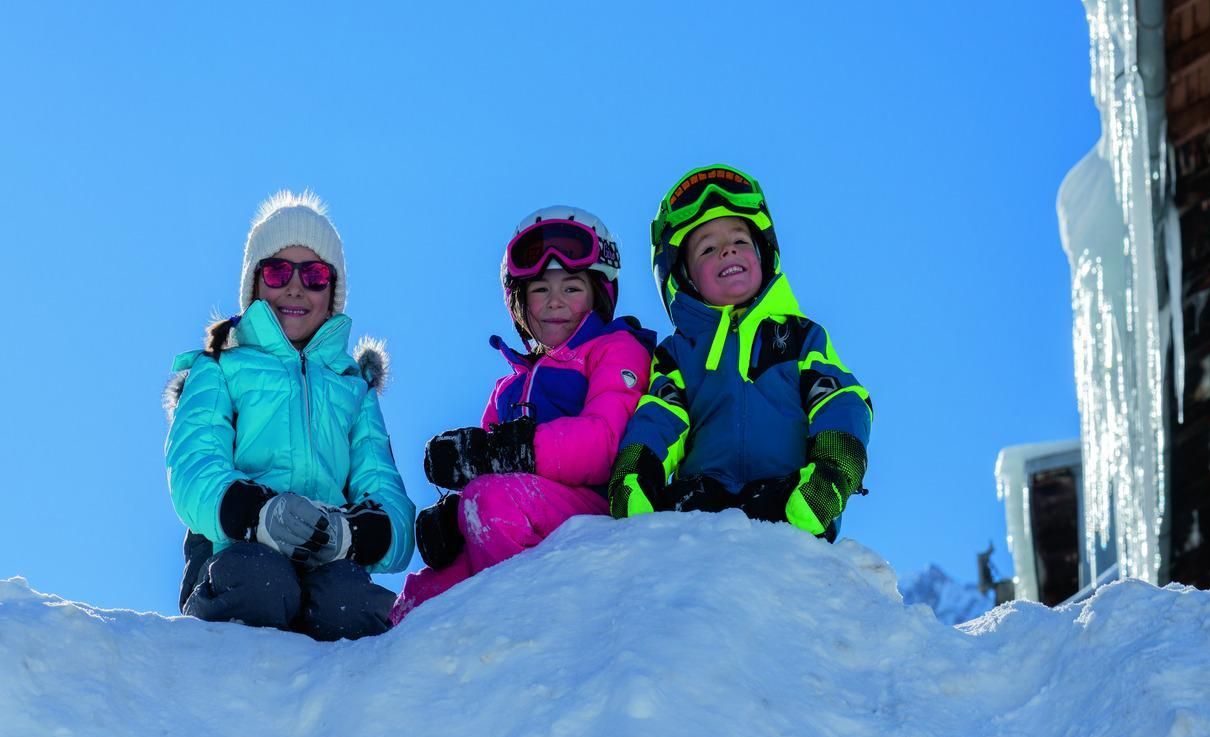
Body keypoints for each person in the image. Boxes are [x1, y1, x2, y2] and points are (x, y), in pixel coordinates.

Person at [163, 190, 415, 640]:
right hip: (236, 551)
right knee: (261, 583)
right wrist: (257, 514)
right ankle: (228, 691)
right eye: (278, 272)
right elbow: (194, 468)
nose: (295, 287)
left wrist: (351, 534)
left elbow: (386, 493)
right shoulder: (220, 368)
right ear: (255, 285)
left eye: (314, 275)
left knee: (353, 605)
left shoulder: (352, 390)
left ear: (332, 291)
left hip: (329, 560)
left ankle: (356, 703)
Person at [390, 206, 654, 625]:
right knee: (421, 599)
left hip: (594, 513)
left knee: (492, 502)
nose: (555, 303)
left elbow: (604, 442)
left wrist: (507, 452)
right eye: (539, 291)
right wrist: (453, 517)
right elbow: (485, 477)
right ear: (519, 301)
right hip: (521, 514)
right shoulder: (510, 388)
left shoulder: (615, 349)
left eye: (571, 288)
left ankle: (527, 627)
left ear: (599, 294)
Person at [609, 164, 872, 540]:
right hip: (701, 506)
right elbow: (660, 417)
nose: (728, 249)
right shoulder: (679, 354)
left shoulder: (799, 337)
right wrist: (636, 472)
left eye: (740, 240)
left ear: (763, 252)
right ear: (682, 276)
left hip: (791, 504)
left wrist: (833, 469)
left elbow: (840, 401)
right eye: (708, 248)